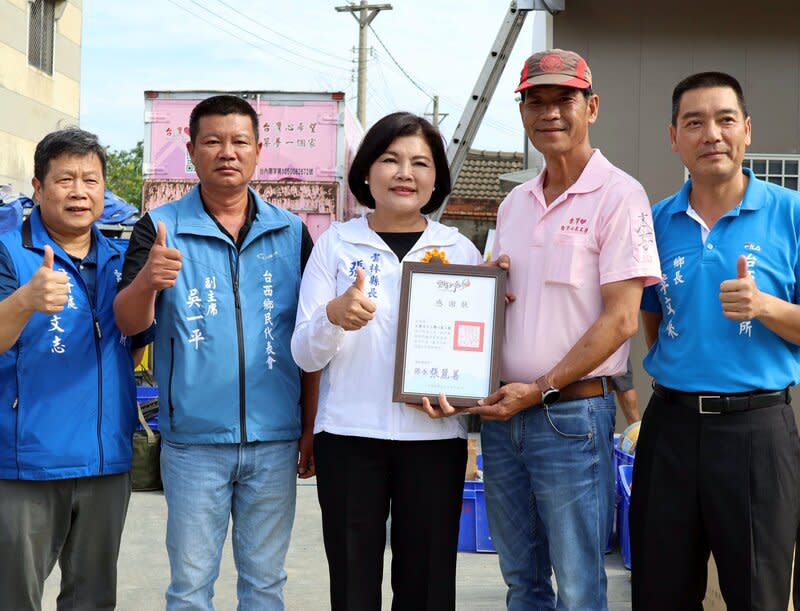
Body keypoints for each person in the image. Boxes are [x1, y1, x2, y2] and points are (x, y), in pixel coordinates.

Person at [465, 50, 662, 609]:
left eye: (564, 100)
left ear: (591, 107)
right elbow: (496, 300)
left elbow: (623, 318)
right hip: (503, 417)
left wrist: (542, 386)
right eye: (536, 101)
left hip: (570, 417)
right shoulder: (512, 204)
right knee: (520, 580)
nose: (549, 112)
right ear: (524, 113)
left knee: (578, 584)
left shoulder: (620, 195)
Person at [113, 95, 317, 610]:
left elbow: (310, 339)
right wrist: (147, 282)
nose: (227, 152)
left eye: (239, 141)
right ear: (191, 151)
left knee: (266, 585)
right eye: (212, 141)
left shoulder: (292, 232)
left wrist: (309, 426)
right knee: (190, 588)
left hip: (275, 440)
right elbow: (128, 325)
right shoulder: (159, 227)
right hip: (193, 443)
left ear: (257, 150)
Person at [291, 111, 483, 611]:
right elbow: (303, 351)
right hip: (350, 438)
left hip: (434, 438)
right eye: (390, 159)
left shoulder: (459, 249)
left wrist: (465, 395)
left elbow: (476, 351)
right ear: (365, 172)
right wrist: (332, 315)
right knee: (353, 582)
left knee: (428, 583)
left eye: (420, 162)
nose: (405, 173)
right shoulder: (335, 244)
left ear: (436, 177)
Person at [631, 71, 800, 610]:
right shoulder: (654, 223)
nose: (712, 134)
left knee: (759, 595)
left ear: (747, 130)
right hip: (670, 431)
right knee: (660, 590)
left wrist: (765, 307)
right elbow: (655, 321)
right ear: (673, 137)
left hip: (758, 433)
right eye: (694, 122)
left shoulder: (790, 215)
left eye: (725, 120)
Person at [0, 128, 151, 610]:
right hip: (27, 462)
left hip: (106, 459)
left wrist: (149, 283)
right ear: (38, 187)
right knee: (14, 597)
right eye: (65, 179)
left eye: (91, 179)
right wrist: (25, 300)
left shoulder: (119, 259)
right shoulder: (7, 251)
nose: (80, 191)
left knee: (92, 599)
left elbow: (134, 346)